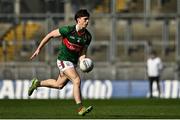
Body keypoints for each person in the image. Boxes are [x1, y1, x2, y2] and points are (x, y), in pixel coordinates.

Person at [28, 9, 93, 116]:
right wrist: (39, 48)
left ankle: (37, 83)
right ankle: (80, 108)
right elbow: (50, 35)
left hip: (72, 63)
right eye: (85, 19)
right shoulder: (67, 30)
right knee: (76, 80)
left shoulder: (88, 37)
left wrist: (83, 62)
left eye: (88, 19)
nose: (87, 22)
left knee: (59, 85)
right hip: (63, 60)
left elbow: (82, 52)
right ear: (78, 20)